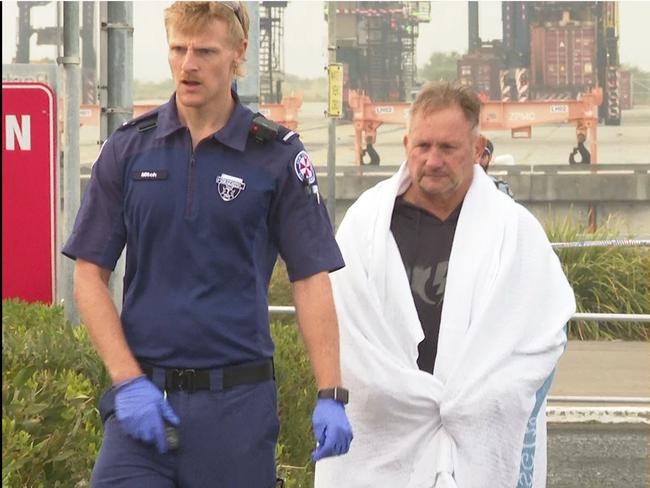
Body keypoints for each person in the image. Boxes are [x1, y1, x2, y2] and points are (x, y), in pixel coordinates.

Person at [63, 2, 352, 487]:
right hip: (142, 404)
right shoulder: (130, 148)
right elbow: (89, 276)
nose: (188, 65)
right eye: (178, 49)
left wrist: (331, 392)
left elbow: (309, 278)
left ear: (239, 54)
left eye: (205, 51)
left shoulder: (277, 156)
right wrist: (127, 381)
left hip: (236, 409)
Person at [315, 81, 575, 488]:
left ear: (476, 148)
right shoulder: (366, 225)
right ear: (405, 144)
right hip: (383, 431)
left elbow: (544, 330)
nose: (432, 160)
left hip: (480, 433)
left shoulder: (514, 231)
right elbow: (339, 319)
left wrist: (490, 395)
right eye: (422, 146)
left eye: (448, 148)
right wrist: (360, 393)